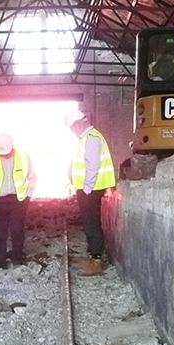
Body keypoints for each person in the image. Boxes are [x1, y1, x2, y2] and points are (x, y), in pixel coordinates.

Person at [64, 109, 116, 275]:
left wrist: (86, 189)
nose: (72, 132)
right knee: (89, 223)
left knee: (92, 224)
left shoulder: (92, 139)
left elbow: (92, 166)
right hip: (89, 190)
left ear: (77, 125)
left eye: (72, 128)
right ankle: (91, 256)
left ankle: (96, 260)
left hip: (91, 190)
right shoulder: (88, 138)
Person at [0, 133, 37, 269]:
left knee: (17, 230)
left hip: (18, 201)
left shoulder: (23, 156)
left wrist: (28, 195)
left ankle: (17, 260)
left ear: (12, 145)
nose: (4, 155)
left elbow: (32, 177)